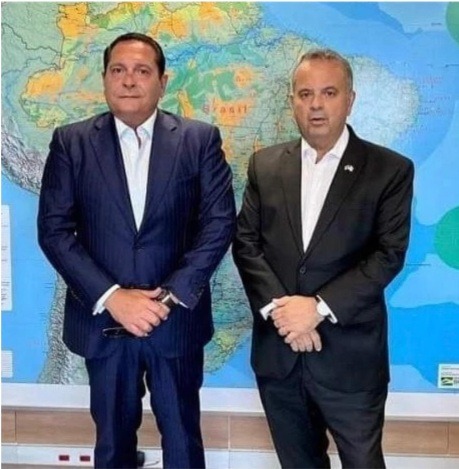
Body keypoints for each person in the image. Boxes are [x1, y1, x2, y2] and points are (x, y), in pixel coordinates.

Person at [38, 32, 236, 469]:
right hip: (105, 324)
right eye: (118, 70)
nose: (129, 80)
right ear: (105, 79)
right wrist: (113, 297)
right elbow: (54, 231)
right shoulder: (71, 142)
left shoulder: (199, 140)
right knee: (112, 445)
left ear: (162, 82)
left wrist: (168, 297)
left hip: (175, 322)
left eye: (142, 71)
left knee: (183, 442)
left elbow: (219, 223)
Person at [233, 48, 414, 469]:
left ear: (350, 100)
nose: (316, 104)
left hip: (350, 359)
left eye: (329, 93)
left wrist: (316, 309)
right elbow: (246, 244)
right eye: (305, 94)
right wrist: (285, 315)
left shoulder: (389, 169)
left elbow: (387, 255)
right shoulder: (265, 165)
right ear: (292, 101)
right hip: (280, 355)